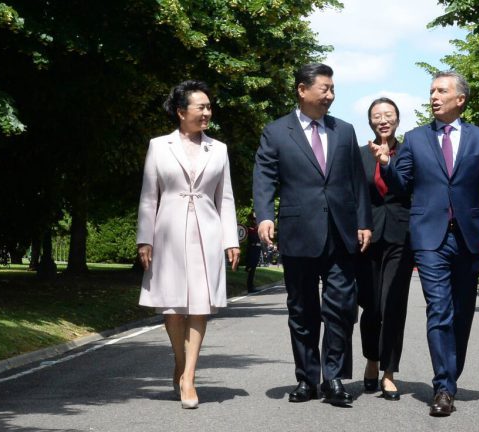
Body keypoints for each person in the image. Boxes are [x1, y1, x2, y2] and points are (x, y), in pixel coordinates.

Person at [370, 71, 479, 416]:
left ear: (460, 99)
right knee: (439, 309)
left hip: (467, 236)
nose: (433, 96)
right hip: (429, 237)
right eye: (431, 91)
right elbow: (401, 184)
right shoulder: (416, 138)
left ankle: (452, 375)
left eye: (441, 91)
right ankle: (443, 386)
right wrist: (387, 164)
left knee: (462, 313)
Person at [253, 63, 372, 406]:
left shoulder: (345, 131)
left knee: (340, 309)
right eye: (324, 88)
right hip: (298, 233)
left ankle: (334, 379)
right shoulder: (276, 132)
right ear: (302, 90)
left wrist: (363, 222)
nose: (330, 95)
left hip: (340, 233)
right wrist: (264, 216)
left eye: (333, 89)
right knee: (302, 311)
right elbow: (264, 179)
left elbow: (357, 182)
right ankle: (307, 379)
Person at [136, 80, 241, 409]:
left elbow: (225, 198)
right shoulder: (158, 146)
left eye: (209, 107)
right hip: (167, 232)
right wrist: (144, 238)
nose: (208, 112)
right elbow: (148, 196)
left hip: (206, 232)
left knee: (199, 305)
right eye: (201, 107)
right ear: (182, 112)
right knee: (173, 306)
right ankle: (180, 361)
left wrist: (230, 240)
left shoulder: (219, 149)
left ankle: (189, 377)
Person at [357, 98, 415, 401]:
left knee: (393, 304)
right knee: (372, 306)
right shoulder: (358, 155)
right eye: (377, 116)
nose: (383, 120)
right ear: (369, 122)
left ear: (397, 119)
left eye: (388, 115)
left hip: (401, 236)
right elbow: (354, 195)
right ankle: (372, 359)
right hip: (366, 238)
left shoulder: (409, 151)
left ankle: (390, 372)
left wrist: (387, 162)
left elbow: (409, 188)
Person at [245, 212, 261, 293]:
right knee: (251, 268)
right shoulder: (249, 229)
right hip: (252, 249)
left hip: (256, 249)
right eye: (254, 219)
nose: (255, 221)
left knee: (253, 268)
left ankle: (251, 285)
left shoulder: (257, 228)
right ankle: (250, 287)